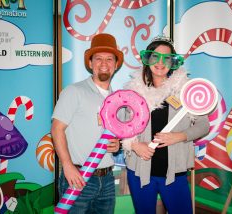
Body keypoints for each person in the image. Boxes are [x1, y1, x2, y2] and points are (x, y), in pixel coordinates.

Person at [122, 35, 210, 214]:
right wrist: (135, 145)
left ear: (173, 62)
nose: (160, 62)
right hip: (140, 170)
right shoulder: (133, 91)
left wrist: (179, 136)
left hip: (174, 172)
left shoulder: (185, 91)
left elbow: (203, 126)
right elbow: (122, 127)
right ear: (148, 59)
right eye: (155, 56)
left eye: (166, 58)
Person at [51, 33, 123, 214]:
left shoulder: (118, 99)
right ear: (90, 64)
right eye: (98, 59)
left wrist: (117, 145)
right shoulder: (74, 91)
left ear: (116, 65)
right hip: (78, 175)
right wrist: (67, 165)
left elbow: (115, 136)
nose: (104, 63)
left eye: (109, 59)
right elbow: (57, 129)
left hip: (107, 179)